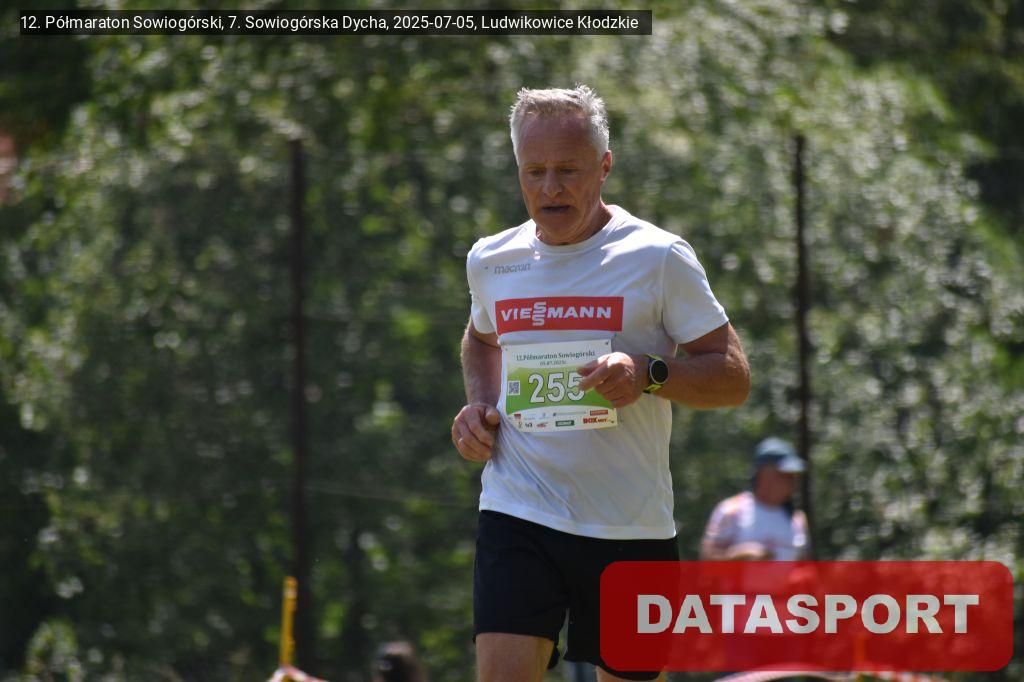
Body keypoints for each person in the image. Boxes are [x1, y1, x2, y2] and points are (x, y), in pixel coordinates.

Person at [449, 85, 750, 682]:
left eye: (568, 170)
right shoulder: (492, 260)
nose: (550, 188)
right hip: (519, 509)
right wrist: (479, 406)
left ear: (604, 166)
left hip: (629, 527)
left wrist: (649, 373)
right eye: (534, 171)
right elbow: (481, 338)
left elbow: (732, 376)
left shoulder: (658, 257)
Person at [700, 437, 810, 561]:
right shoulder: (732, 510)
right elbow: (707, 561)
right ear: (763, 473)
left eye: (793, 475)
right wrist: (738, 555)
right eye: (784, 474)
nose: (792, 481)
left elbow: (804, 565)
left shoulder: (797, 519)